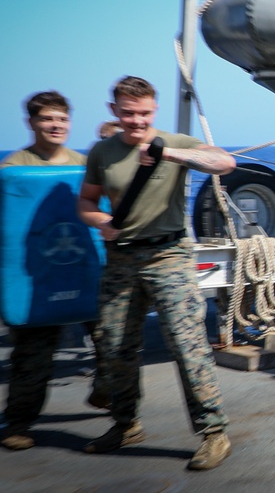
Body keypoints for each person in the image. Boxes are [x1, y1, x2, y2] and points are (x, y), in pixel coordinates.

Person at [77, 76, 236, 470]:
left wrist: (171, 156)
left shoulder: (175, 142)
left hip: (169, 256)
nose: (136, 121)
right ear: (114, 110)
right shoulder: (102, 151)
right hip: (121, 258)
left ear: (155, 110)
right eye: (128, 113)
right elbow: (86, 201)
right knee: (114, 346)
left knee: (187, 345)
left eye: (144, 113)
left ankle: (214, 434)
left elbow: (225, 162)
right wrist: (101, 222)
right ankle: (125, 424)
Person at [1, 91, 109, 451]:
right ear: (31, 122)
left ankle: (107, 394)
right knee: (33, 354)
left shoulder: (86, 165)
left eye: (61, 119)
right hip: (37, 277)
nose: (55, 125)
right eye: (47, 119)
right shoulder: (12, 170)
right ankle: (18, 423)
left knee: (113, 340)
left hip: (86, 269)